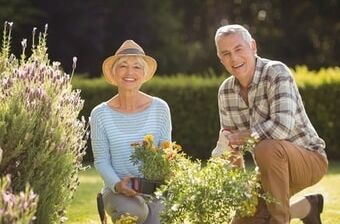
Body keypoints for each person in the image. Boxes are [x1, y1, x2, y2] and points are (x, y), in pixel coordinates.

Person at [213, 24, 328, 224]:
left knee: (267, 147)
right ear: (220, 58)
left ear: (253, 47)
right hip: (269, 168)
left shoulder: (276, 72)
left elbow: (281, 128)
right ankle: (308, 207)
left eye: (239, 49)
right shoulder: (225, 92)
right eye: (226, 53)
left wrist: (245, 136)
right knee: (244, 221)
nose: (234, 58)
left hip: (309, 159)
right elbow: (232, 150)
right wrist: (240, 191)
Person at [90, 40, 172, 224]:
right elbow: (101, 161)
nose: (129, 72)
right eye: (123, 66)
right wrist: (119, 185)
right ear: (114, 73)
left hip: (154, 190)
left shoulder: (160, 108)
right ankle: (112, 206)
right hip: (117, 192)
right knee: (134, 211)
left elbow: (166, 153)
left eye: (136, 67)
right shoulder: (100, 114)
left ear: (144, 74)